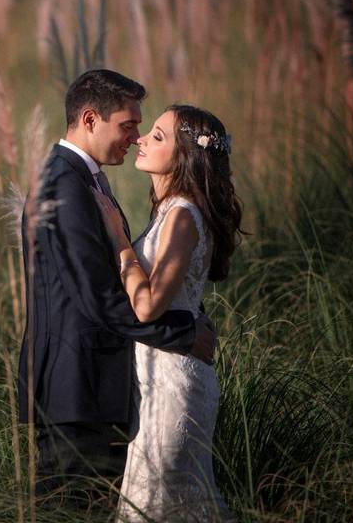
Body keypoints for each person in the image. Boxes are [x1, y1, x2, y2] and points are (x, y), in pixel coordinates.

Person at [18, 70, 217, 511]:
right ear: (90, 119)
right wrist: (182, 334)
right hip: (76, 389)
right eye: (128, 125)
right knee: (72, 509)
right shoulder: (63, 185)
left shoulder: (84, 177)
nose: (135, 137)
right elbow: (99, 299)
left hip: (100, 387)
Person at [94, 104, 241, 522]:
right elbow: (185, 294)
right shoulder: (169, 211)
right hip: (157, 377)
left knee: (156, 504)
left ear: (183, 156)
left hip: (175, 384)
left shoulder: (182, 215)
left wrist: (120, 241)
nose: (140, 139)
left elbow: (148, 305)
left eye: (157, 136)